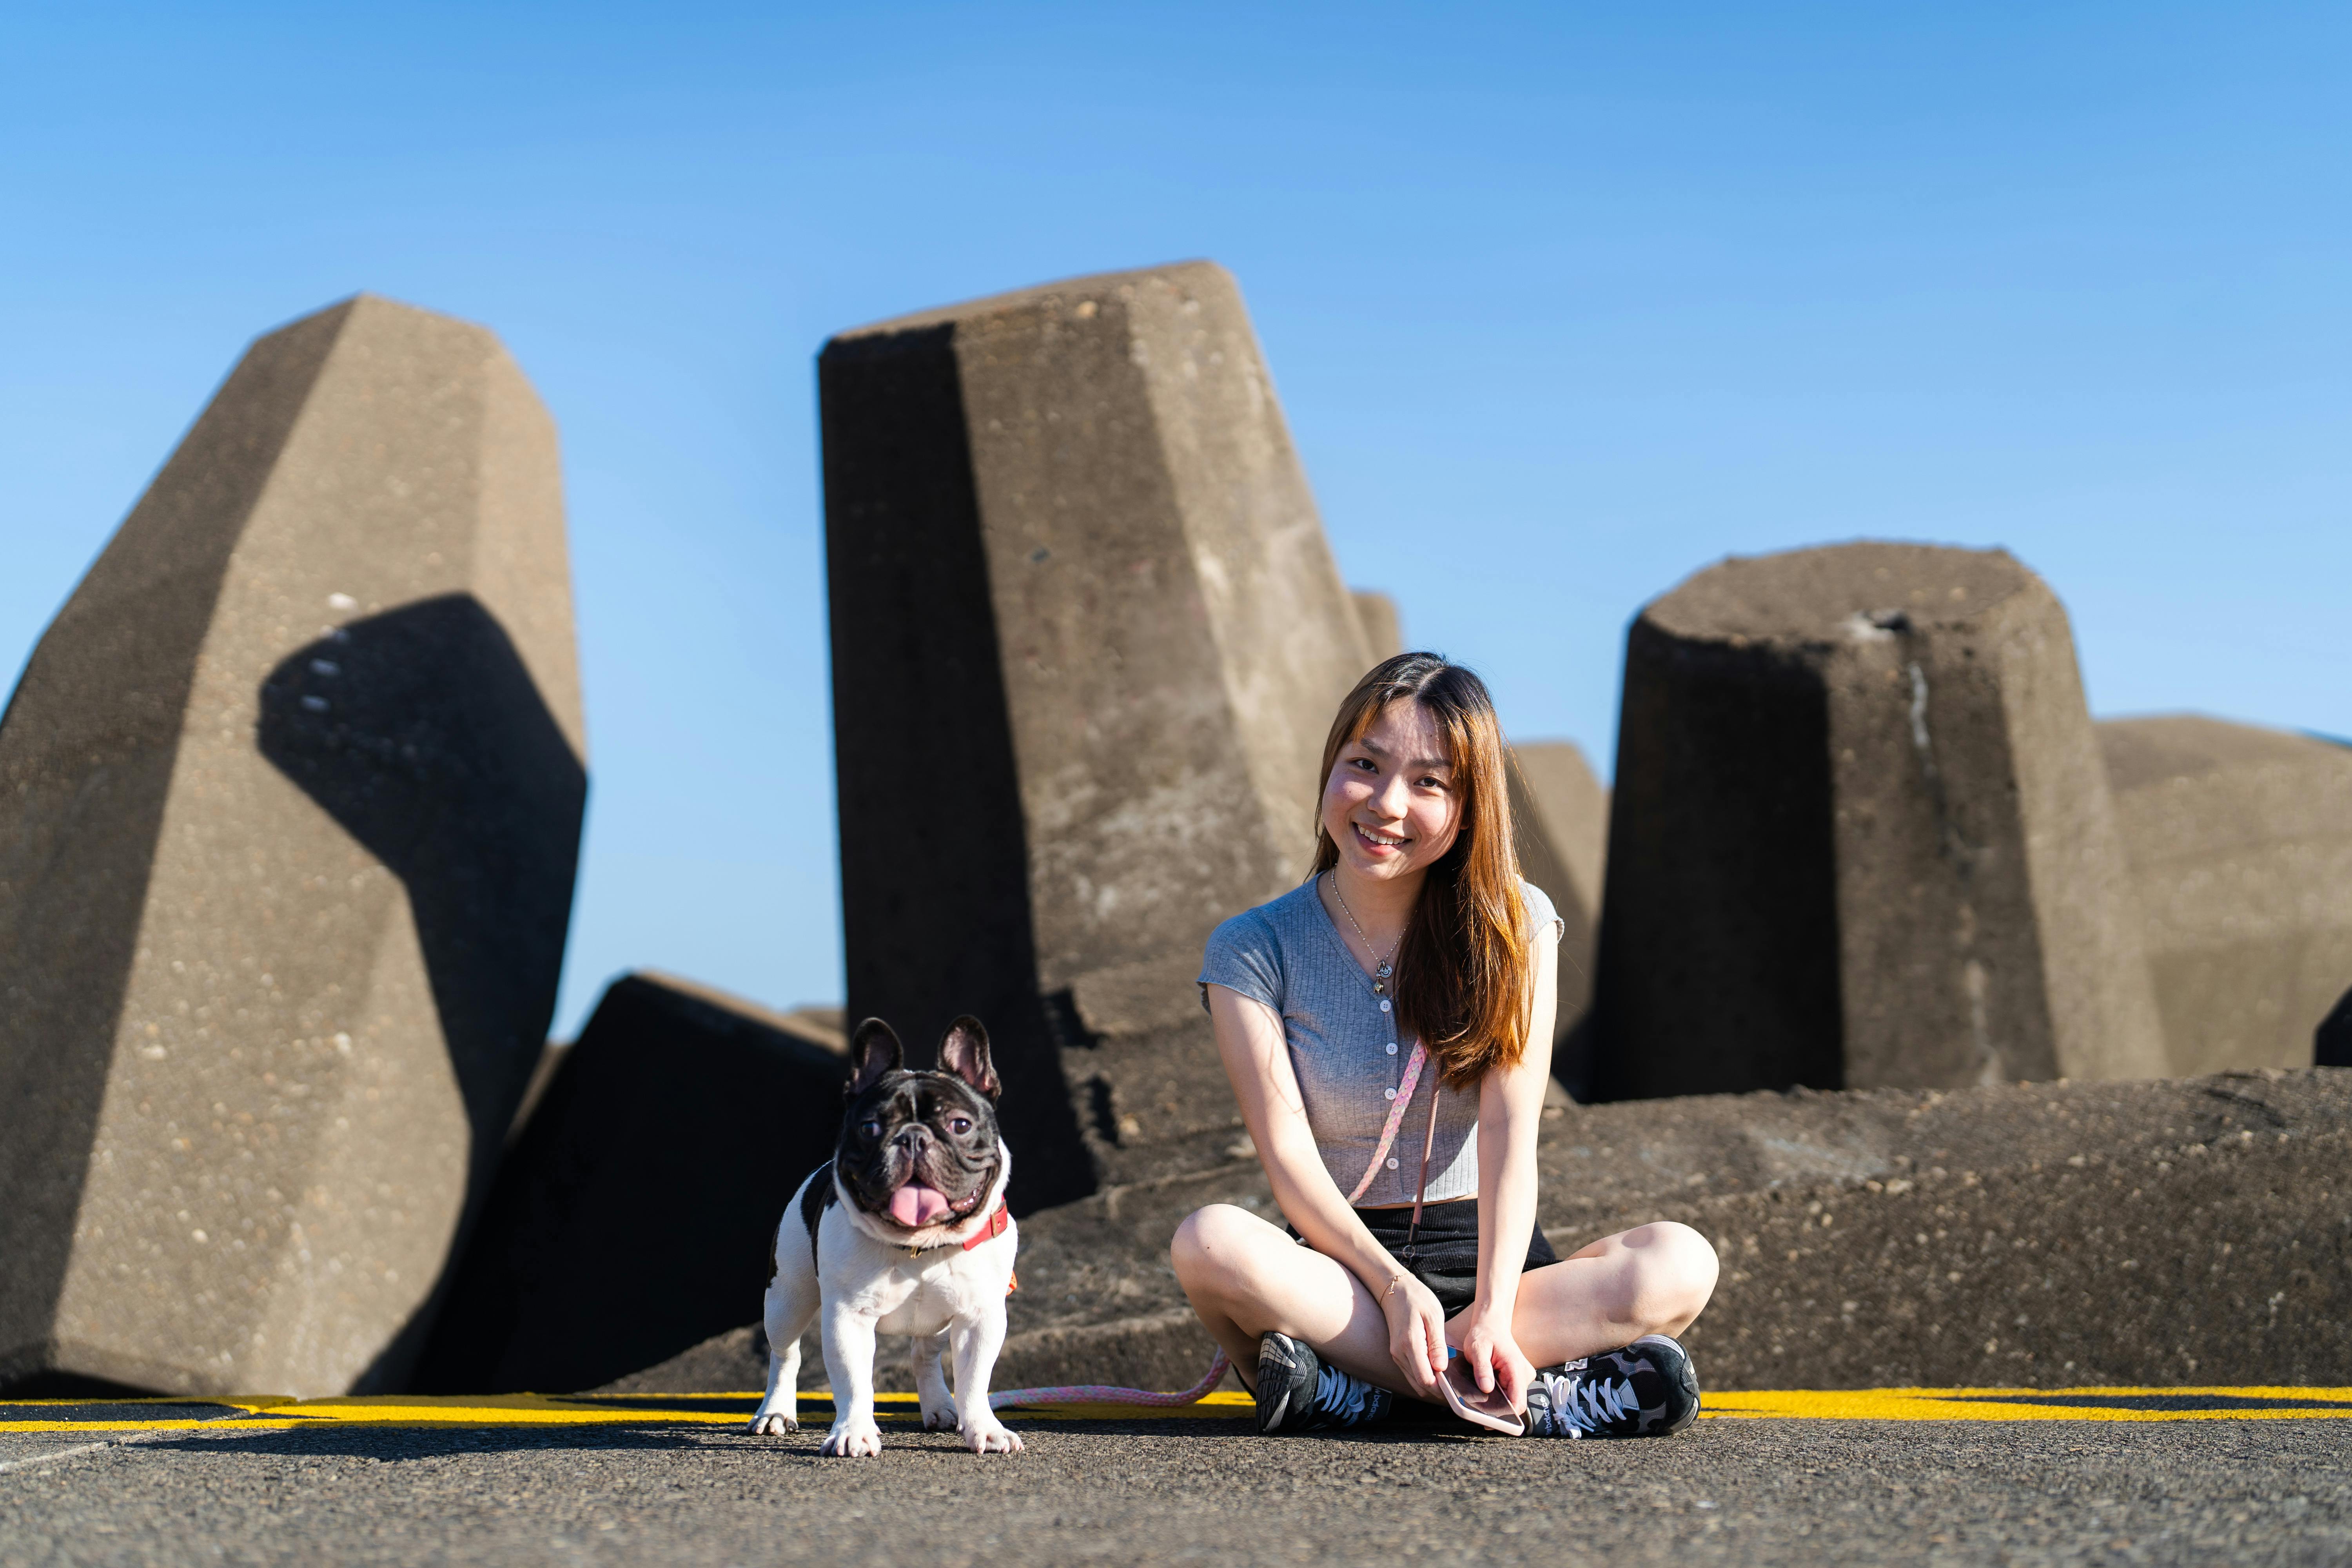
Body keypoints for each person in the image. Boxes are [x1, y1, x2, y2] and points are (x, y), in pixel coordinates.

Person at [1171, 653, 1719, 1437]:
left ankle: (1364, 1388)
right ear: (1331, 765)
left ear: (1469, 806)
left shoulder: (1515, 922)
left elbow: (1508, 1130)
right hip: (1346, 1271)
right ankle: (1534, 1394)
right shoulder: (1253, 947)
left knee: (1682, 1259)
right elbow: (1288, 1159)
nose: (1387, 802)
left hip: (1495, 1258)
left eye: (1430, 782)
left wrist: (1494, 1306)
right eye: (1365, 764)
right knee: (1210, 1241)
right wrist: (1394, 1289)